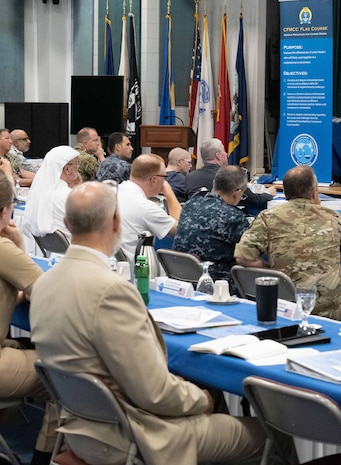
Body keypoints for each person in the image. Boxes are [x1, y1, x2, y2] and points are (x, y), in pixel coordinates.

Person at [29, 181, 274, 465]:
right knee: (272, 435)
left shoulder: (44, 282)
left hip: (79, 427)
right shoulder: (112, 291)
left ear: (66, 223)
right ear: (116, 222)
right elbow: (154, 393)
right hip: (134, 435)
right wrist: (200, 399)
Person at [235, 165, 341, 322]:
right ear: (314, 191)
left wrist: (271, 269)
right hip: (332, 312)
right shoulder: (335, 218)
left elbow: (243, 257)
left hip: (285, 307)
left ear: (285, 192)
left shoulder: (268, 218)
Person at [0, 174, 58, 465]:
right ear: (4, 212)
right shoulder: (3, 249)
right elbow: (49, 296)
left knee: (23, 345)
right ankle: (42, 459)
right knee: (64, 376)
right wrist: (19, 246)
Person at [173, 166, 249, 286]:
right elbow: (248, 256)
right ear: (238, 192)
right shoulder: (234, 217)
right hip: (218, 285)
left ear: (214, 183)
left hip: (181, 280)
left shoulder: (190, 205)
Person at [117, 154, 182, 261]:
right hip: (135, 270)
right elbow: (182, 229)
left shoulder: (113, 191)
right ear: (154, 180)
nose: (165, 181)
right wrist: (169, 192)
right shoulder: (146, 208)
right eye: (164, 177)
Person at [185, 138, 275, 212]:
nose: (226, 154)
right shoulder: (228, 176)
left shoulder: (189, 177)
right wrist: (268, 193)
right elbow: (254, 201)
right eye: (224, 151)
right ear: (218, 156)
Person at [23, 146, 81, 240]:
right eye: (77, 163)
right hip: (77, 248)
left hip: (53, 250)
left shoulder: (40, 194)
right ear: (67, 169)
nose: (78, 166)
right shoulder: (69, 196)